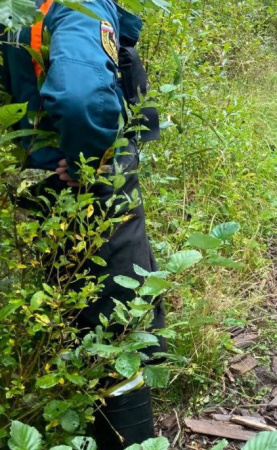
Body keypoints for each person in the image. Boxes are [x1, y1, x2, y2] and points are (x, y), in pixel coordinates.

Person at [1, 0, 164, 447]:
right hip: (90, 178)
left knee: (76, 301)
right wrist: (91, 157)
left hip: (46, 183)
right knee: (117, 313)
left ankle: (109, 403)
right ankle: (127, 438)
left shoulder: (20, 10)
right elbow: (79, 94)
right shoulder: (79, 5)